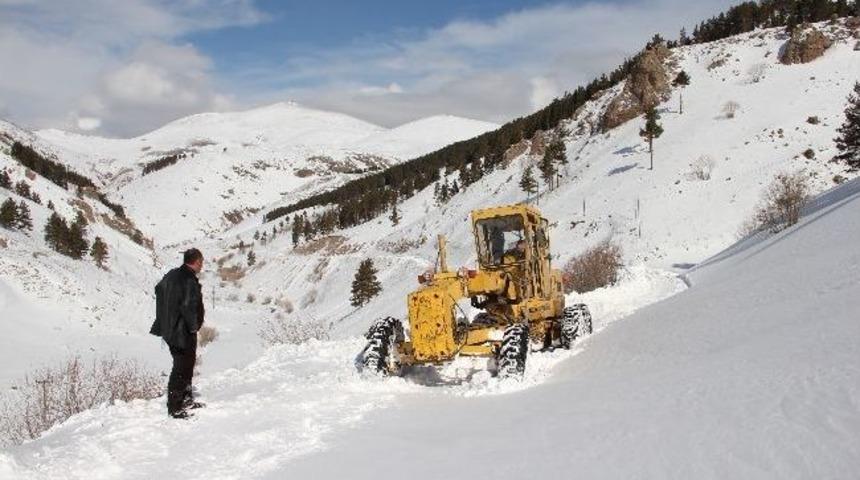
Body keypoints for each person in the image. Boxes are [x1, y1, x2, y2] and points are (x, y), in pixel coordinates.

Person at [150, 248, 206, 419]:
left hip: (170, 329)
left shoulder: (173, 274)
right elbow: (189, 306)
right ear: (196, 261)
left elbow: (159, 289)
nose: (202, 265)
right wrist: (194, 326)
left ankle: (186, 399)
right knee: (181, 367)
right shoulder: (188, 279)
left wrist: (165, 316)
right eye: (201, 262)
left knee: (186, 364)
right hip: (182, 331)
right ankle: (175, 407)